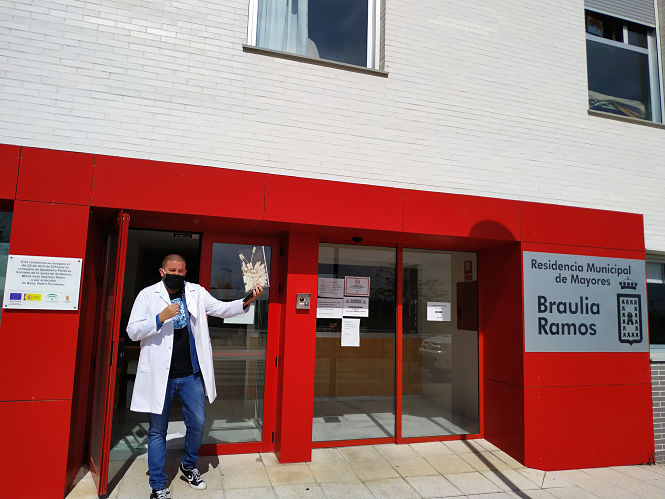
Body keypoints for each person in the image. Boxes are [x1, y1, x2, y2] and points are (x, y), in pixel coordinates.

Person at [127, 253, 263, 499]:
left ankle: (188, 466)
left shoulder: (195, 292)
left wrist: (246, 300)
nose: (176, 275)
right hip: (161, 377)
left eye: (181, 271)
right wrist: (160, 318)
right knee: (157, 431)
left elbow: (221, 308)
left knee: (198, 423)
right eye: (172, 271)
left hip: (191, 374)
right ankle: (158, 485)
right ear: (162, 272)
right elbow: (133, 331)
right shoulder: (147, 295)